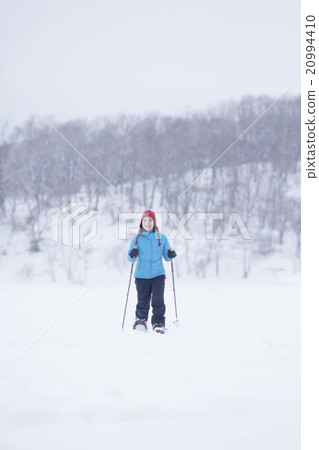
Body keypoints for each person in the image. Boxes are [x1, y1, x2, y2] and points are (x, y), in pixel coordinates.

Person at [127, 210, 176, 334]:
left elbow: (167, 257)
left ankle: (158, 323)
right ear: (141, 223)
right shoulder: (137, 239)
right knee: (142, 300)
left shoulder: (162, 238)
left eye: (150, 220)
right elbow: (129, 258)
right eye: (145, 220)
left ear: (154, 222)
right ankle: (141, 320)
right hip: (141, 275)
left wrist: (170, 254)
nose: (148, 223)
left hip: (158, 274)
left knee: (158, 299)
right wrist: (132, 254)